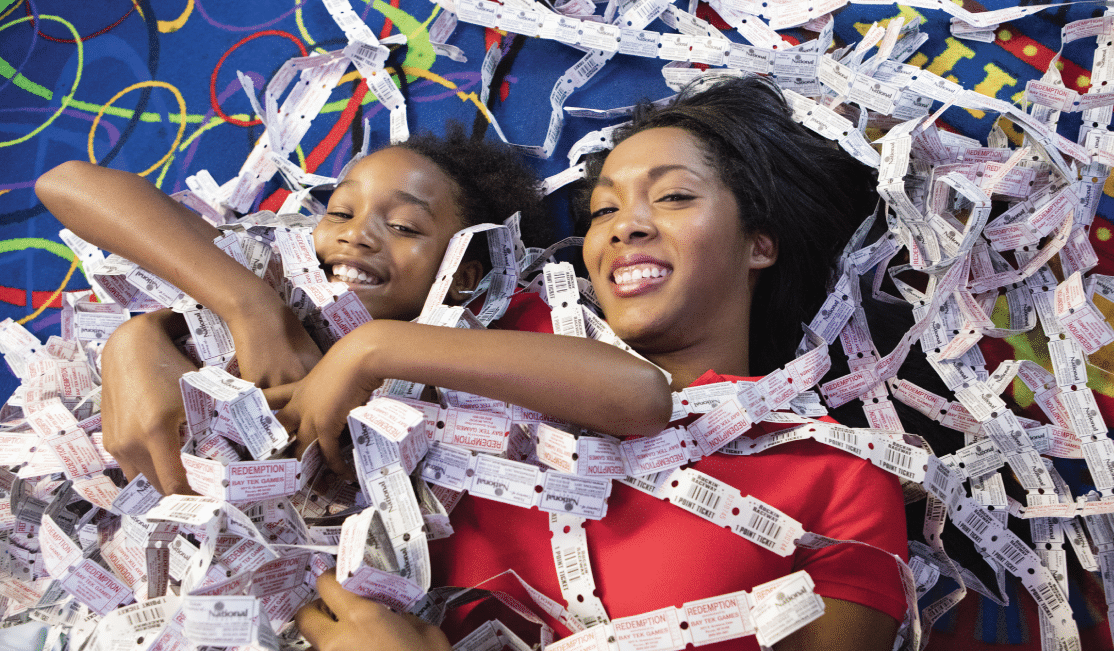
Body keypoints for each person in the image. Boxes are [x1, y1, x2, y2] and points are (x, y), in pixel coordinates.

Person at [288, 75, 908, 651]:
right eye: (603, 211)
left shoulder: (840, 478)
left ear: (760, 243)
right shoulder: (488, 333)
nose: (624, 227)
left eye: (672, 197)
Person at [33, 125, 623, 490]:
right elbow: (65, 182)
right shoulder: (278, 281)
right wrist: (248, 306)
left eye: (401, 225)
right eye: (339, 213)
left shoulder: (472, 356)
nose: (356, 236)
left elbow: (636, 393)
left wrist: (368, 352)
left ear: (466, 275)